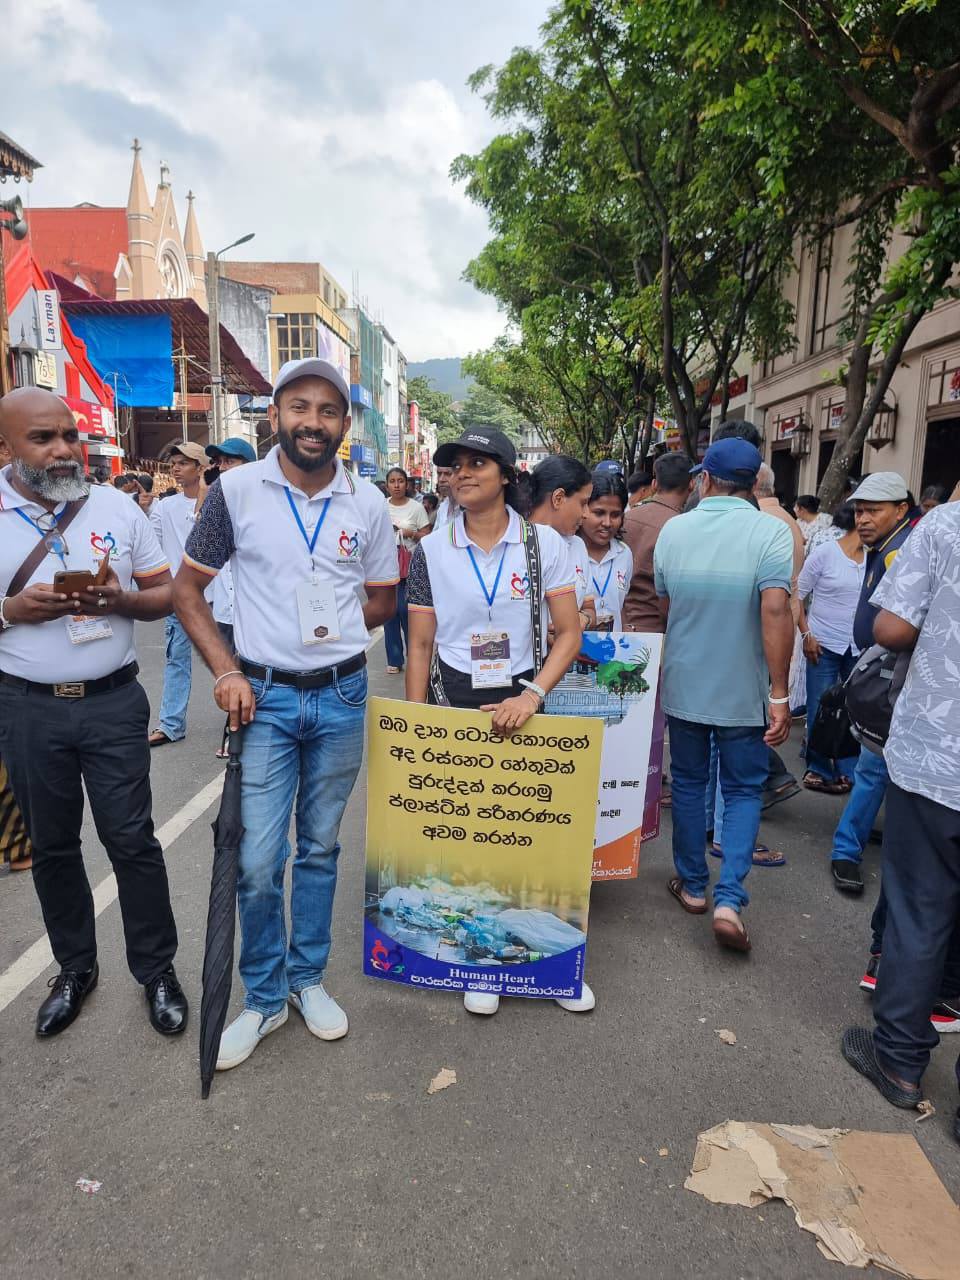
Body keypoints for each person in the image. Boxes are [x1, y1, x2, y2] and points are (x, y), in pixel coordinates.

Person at [173, 357, 398, 1071]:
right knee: (258, 861)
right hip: (263, 700)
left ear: (345, 424)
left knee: (321, 848)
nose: (312, 422)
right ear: (274, 416)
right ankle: (265, 997)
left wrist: (331, 633)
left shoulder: (368, 503)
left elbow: (383, 598)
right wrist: (228, 670)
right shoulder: (235, 492)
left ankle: (307, 981)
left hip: (343, 695)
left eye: (328, 410)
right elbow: (186, 592)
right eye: (299, 407)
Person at [0, 387, 186, 1037]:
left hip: (112, 703)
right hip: (28, 708)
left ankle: (156, 970)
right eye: (42, 439)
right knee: (52, 846)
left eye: (69, 435)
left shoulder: (115, 506)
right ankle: (74, 968)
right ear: (6, 447)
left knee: (132, 841)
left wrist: (120, 600)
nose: (63, 450)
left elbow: (164, 595)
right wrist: (9, 611)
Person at [404, 427, 584, 1016]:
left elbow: (569, 634)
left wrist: (531, 697)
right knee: (468, 834)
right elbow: (421, 643)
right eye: (454, 465)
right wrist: (415, 724)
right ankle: (481, 963)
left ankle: (553, 967)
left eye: (477, 464)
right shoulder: (431, 550)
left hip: (524, 693)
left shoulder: (542, 544)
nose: (462, 473)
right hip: (454, 696)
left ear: (507, 475)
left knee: (532, 831)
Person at [841, 500, 960, 1147]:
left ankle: (899, 1062)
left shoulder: (944, 527)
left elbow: (888, 627)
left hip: (941, 756)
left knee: (919, 908)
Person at [654, 438, 794, 952]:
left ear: (705, 479)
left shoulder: (675, 530)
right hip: (743, 689)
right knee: (741, 790)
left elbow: (667, 605)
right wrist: (779, 693)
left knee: (690, 784)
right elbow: (775, 611)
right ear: (753, 484)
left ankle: (694, 886)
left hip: (686, 681)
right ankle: (730, 900)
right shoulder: (771, 532)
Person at [828, 473, 914, 894]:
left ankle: (847, 849)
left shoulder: (901, 551)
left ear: (901, 510)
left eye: (873, 511)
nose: (862, 519)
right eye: (859, 510)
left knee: (875, 766)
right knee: (873, 766)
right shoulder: (882, 546)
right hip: (875, 668)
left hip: (894, 675)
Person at [796, 503, 864, 795]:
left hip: (859, 648)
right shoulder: (825, 553)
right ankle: (819, 767)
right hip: (822, 643)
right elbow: (797, 596)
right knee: (819, 706)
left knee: (855, 709)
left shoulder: (876, 558)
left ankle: (848, 768)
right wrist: (806, 634)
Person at [149, 440, 209, 746]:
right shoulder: (164, 506)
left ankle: (239, 724)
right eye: (174, 463)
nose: (176, 468)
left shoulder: (218, 502)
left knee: (236, 660)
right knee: (177, 660)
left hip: (220, 598)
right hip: (182, 597)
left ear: (200, 468)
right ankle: (171, 725)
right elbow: (152, 546)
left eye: (184, 463)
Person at [204, 440, 257, 759]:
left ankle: (235, 731)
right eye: (220, 462)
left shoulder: (265, 508)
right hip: (224, 610)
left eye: (230, 461)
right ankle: (235, 727)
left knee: (250, 672)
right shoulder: (213, 505)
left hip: (256, 612)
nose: (223, 468)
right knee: (231, 673)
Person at [621, 452, 693, 634]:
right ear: (691, 485)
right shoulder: (684, 528)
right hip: (658, 629)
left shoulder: (626, 518)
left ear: (654, 484)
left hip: (621, 624)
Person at [527, 455, 596, 630]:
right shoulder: (516, 545)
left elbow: (589, 608)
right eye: (583, 503)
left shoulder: (577, 546)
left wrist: (583, 619)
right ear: (558, 498)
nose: (586, 514)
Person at [383, 466, 431, 674]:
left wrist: (410, 533)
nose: (396, 485)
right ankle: (394, 659)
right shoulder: (380, 507)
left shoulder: (416, 508)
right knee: (389, 613)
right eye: (392, 481)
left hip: (410, 569)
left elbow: (427, 536)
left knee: (407, 612)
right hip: (385, 568)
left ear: (407, 484)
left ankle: (415, 655)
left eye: (400, 481)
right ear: (387, 486)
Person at [580, 473, 633, 630]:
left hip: (613, 644)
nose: (607, 523)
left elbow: (620, 605)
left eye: (615, 515)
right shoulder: (566, 552)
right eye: (599, 513)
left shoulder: (624, 553)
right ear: (582, 509)